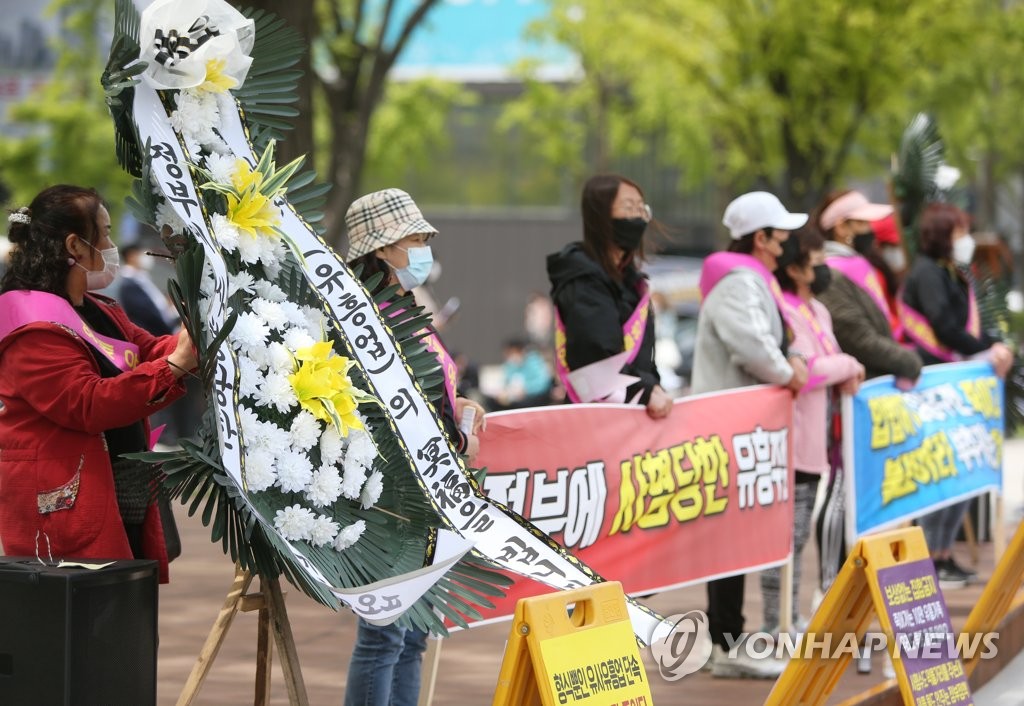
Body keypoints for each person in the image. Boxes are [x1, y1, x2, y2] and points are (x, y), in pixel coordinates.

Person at [0, 185, 196, 584]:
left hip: (120, 487)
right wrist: (175, 365)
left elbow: (148, 349)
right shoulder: (32, 324)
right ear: (75, 244)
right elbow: (86, 403)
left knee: (123, 625)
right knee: (79, 631)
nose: (111, 245)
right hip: (65, 506)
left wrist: (201, 338)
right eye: (104, 233)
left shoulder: (97, 309)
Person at [343, 188, 486, 706]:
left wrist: (459, 406)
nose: (426, 248)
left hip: (428, 488)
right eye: (417, 239)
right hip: (392, 493)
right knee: (385, 635)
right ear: (383, 249)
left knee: (412, 635)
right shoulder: (363, 315)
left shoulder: (401, 307)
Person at [691, 191, 809, 678]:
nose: (785, 248)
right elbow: (756, 348)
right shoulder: (738, 284)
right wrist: (789, 372)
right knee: (726, 538)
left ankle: (727, 639)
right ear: (759, 239)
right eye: (780, 238)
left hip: (741, 428)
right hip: (730, 429)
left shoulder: (746, 280)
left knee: (731, 537)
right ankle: (726, 642)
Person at [813, 190, 923, 604]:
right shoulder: (836, 271)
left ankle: (852, 588)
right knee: (841, 487)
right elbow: (857, 336)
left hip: (870, 396)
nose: (871, 232)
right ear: (840, 227)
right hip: (850, 398)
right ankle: (829, 589)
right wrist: (908, 360)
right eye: (862, 224)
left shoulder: (855, 267)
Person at [899, 203, 1013, 588]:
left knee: (961, 470)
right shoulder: (927, 274)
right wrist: (986, 351)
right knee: (940, 470)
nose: (966, 239)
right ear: (942, 234)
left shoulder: (951, 273)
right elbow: (945, 328)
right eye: (960, 231)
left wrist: (992, 346)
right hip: (934, 383)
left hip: (957, 382)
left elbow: (965, 328)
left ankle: (944, 554)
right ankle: (929, 556)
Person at [760, 228, 864, 636]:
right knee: (787, 534)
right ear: (794, 268)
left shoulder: (817, 311)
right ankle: (776, 621)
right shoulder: (783, 310)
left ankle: (791, 616)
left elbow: (830, 361)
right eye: (816, 261)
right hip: (791, 438)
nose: (823, 269)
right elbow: (809, 371)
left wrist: (845, 367)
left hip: (819, 438)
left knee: (798, 533)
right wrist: (849, 366)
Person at [546, 174, 672, 417]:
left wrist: (653, 386)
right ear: (600, 216)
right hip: (597, 419)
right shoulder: (582, 280)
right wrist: (645, 391)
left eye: (641, 208)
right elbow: (595, 359)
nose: (638, 217)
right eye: (628, 207)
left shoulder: (631, 282)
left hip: (633, 417)